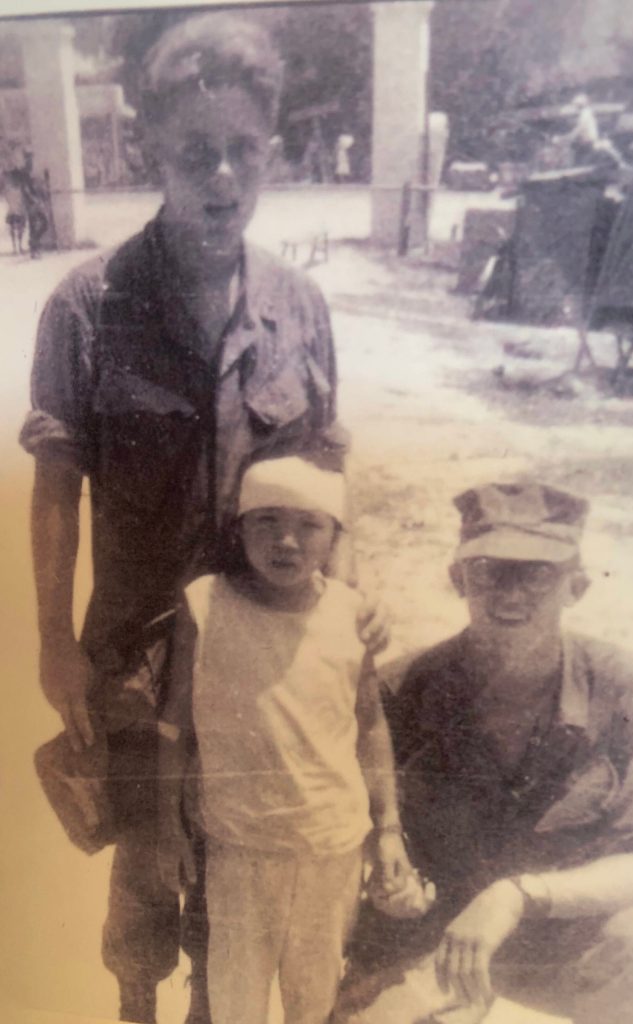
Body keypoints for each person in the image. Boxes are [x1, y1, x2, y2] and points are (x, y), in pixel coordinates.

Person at [20, 13, 385, 1024]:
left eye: (243, 153)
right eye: (196, 154)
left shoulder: (300, 307)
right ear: (153, 153)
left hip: (263, 650)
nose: (221, 177)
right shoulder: (89, 304)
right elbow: (56, 483)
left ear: (269, 152)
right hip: (136, 655)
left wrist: (351, 592)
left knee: (240, 871)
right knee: (144, 865)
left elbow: (323, 469)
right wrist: (55, 643)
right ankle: (137, 1009)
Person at [336, 478, 633, 1024]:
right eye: (488, 572)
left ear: (576, 588)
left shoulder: (628, 690)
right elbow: (335, 824)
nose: (510, 594)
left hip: (569, 935)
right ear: (458, 579)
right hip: (434, 937)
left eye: (537, 574)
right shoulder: (397, 692)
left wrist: (516, 896)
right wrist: (386, 881)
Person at [157, 456, 425, 1024]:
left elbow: (371, 726)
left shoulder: (352, 613)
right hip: (239, 845)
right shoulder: (205, 604)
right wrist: (167, 827)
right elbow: (174, 728)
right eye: (267, 521)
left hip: (332, 845)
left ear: (333, 536)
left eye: (309, 525)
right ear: (240, 528)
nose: (287, 541)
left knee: (315, 996)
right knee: (235, 1000)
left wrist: (390, 829)